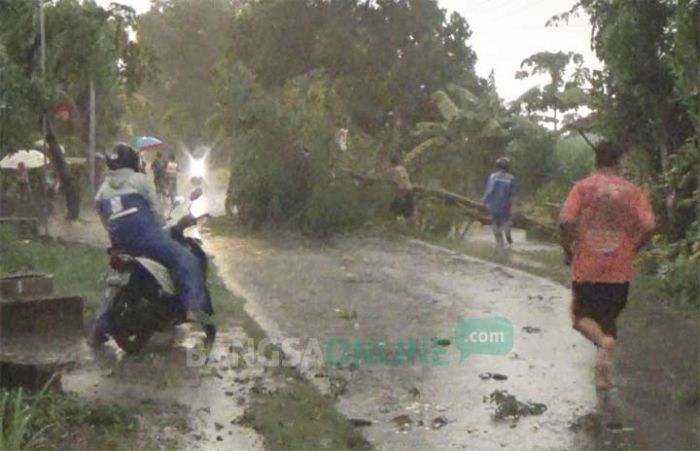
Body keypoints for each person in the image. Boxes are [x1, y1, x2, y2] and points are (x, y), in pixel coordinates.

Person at [88, 144, 214, 347]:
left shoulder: (102, 190)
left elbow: (105, 220)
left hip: (120, 242)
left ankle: (97, 331)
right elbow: (157, 213)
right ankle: (193, 307)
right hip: (147, 238)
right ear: (132, 162)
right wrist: (163, 227)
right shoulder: (140, 180)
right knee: (187, 260)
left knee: (112, 285)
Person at [559, 140, 655, 389]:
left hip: (588, 265)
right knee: (608, 319)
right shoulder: (633, 192)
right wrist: (634, 246)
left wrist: (567, 247)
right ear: (619, 162)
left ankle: (602, 344)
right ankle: (602, 376)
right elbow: (649, 226)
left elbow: (566, 220)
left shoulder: (582, 188)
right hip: (620, 268)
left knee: (580, 317)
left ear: (596, 161)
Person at [482, 157, 515, 249]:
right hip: (505, 206)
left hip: (494, 206)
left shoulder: (493, 177)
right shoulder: (511, 178)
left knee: (496, 224)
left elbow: (489, 191)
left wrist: (484, 201)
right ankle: (508, 238)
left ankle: (499, 244)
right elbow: (512, 194)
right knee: (507, 222)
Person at [386, 155, 415, 221]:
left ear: (392, 162)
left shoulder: (396, 170)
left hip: (403, 191)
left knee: (395, 210)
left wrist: (401, 192)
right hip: (407, 191)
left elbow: (401, 182)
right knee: (407, 211)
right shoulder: (401, 168)